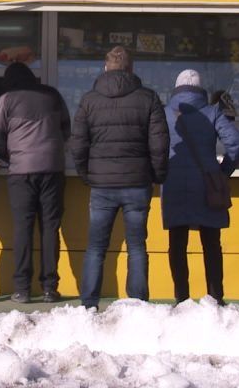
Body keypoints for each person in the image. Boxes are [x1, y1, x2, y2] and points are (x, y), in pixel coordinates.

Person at [68, 45, 169, 309]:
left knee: (96, 247)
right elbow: (159, 143)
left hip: (101, 184)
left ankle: (89, 303)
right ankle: (136, 304)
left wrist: (85, 173)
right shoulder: (148, 98)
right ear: (131, 68)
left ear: (105, 68)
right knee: (136, 246)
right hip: (137, 183)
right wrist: (157, 175)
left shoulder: (90, 100)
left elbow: (78, 143)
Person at [0, 61, 71, 303]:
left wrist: (9, 158)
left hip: (21, 172)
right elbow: (66, 128)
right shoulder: (52, 95)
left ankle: (22, 289)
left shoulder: (6, 99)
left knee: (23, 228)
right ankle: (49, 287)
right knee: (50, 227)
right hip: (52, 170)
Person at [162, 69, 239, 305]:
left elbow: (153, 146)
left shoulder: (165, 113)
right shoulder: (213, 112)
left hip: (174, 182)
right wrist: (222, 171)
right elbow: (235, 144)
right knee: (211, 242)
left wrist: (160, 171)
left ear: (177, 88)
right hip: (206, 183)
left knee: (177, 242)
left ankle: (182, 297)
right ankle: (215, 296)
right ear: (200, 89)